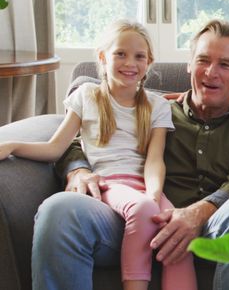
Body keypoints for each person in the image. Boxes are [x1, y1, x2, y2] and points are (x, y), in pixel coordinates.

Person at [30, 19, 229, 290]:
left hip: (214, 226)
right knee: (59, 209)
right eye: (203, 60)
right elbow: (79, 138)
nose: (211, 72)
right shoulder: (157, 111)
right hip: (139, 222)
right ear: (189, 65)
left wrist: (194, 216)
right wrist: (78, 169)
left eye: (225, 65)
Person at [0, 20, 196, 290]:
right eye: (120, 54)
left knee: (179, 237)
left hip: (144, 188)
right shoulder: (87, 96)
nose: (130, 63)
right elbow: (55, 148)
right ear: (103, 57)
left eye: (139, 56)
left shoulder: (156, 105)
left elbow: (154, 160)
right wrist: (11, 146)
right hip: (109, 184)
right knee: (143, 209)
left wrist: (153, 193)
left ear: (149, 62)